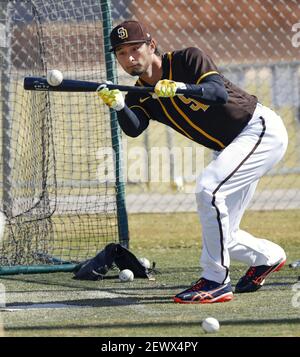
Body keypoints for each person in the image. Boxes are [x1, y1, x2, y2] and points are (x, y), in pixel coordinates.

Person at [97, 20, 288, 304]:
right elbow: (135, 128)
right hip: (230, 147)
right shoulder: (139, 92)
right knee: (223, 234)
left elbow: (217, 92)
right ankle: (268, 257)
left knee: (208, 189)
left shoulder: (187, 59)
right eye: (121, 53)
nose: (130, 58)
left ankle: (215, 280)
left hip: (258, 129)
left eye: (135, 48)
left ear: (151, 46)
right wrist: (120, 106)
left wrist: (180, 88)